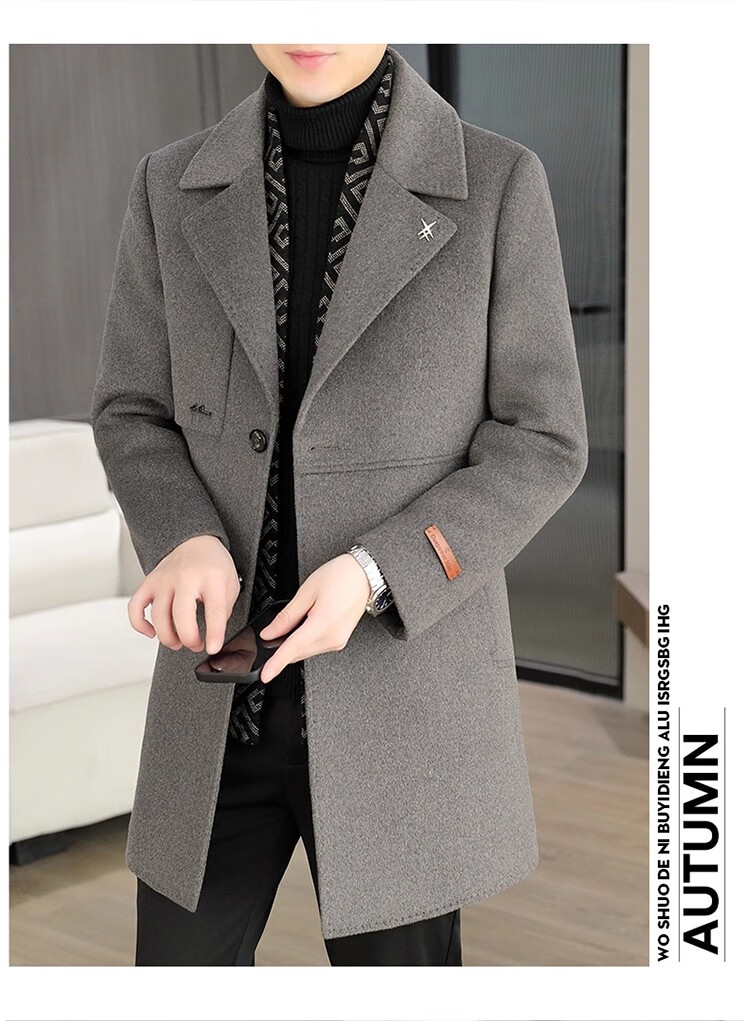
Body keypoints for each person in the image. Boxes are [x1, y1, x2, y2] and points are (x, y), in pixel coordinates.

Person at [91, 43, 588, 966]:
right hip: (218, 709)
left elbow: (542, 439)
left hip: (400, 708)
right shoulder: (170, 185)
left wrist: (375, 572)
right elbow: (133, 411)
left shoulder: (499, 183)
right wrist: (184, 534)